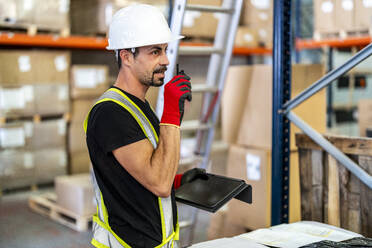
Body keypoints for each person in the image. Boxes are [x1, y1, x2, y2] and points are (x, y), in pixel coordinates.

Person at [84, 4, 207, 248]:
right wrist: (171, 113)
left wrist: (179, 181)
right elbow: (159, 184)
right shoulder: (110, 113)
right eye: (154, 52)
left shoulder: (139, 106)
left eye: (165, 50)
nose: (165, 60)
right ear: (126, 56)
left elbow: (138, 174)